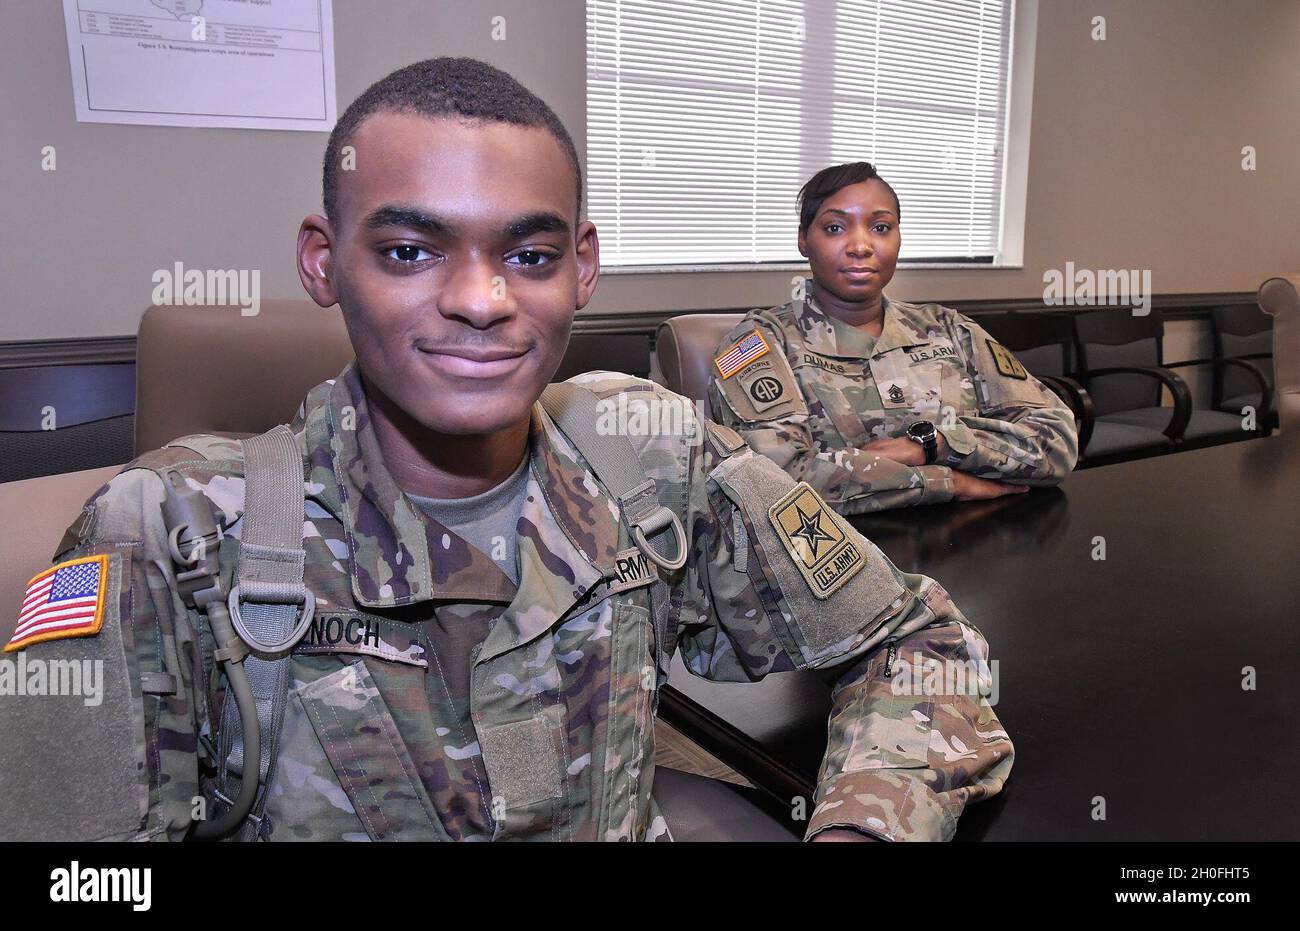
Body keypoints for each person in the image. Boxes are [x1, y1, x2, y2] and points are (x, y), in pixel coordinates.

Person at [0, 60, 1011, 842]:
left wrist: (861, 821)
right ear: (324, 261)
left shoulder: (647, 461)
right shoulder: (166, 531)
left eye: (528, 256)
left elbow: (916, 641)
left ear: (581, 269)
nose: (481, 301)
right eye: (408, 251)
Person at [708, 162, 1079, 515]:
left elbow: (1056, 441)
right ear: (804, 240)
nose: (860, 246)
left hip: (973, 550)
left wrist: (934, 445)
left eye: (880, 228)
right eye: (835, 228)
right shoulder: (759, 343)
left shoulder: (948, 329)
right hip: (835, 565)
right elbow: (779, 482)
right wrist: (950, 483)